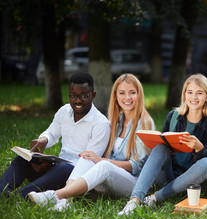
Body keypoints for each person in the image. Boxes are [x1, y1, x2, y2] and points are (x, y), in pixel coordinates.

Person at [28, 74, 155, 211]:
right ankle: (65, 202)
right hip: (110, 179)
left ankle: (54, 196)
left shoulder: (145, 123)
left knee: (103, 164)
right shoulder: (116, 121)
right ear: (116, 96)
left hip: (133, 183)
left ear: (139, 95)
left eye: (132, 93)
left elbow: (136, 166)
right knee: (86, 157)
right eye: (122, 93)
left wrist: (101, 160)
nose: (127, 98)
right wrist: (96, 159)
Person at [118, 73, 207, 216]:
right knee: (160, 147)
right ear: (184, 94)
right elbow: (164, 143)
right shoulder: (173, 116)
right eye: (190, 92)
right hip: (170, 175)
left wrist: (199, 148)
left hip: (195, 183)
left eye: (199, 93)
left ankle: (156, 197)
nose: (194, 97)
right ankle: (135, 200)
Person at [0, 72, 110, 198]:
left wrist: (56, 168)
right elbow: (51, 133)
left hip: (75, 180)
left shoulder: (101, 124)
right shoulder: (64, 111)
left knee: (64, 168)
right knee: (23, 160)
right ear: (68, 94)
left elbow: (88, 162)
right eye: (73, 96)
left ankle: (19, 197)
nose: (78, 100)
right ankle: (2, 192)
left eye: (84, 96)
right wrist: (44, 139)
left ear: (93, 95)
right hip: (57, 169)